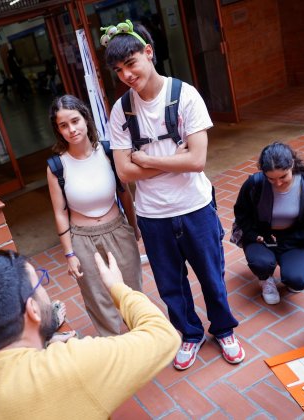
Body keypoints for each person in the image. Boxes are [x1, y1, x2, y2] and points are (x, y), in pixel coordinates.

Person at [103, 19, 244, 370]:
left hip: (195, 206)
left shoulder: (185, 95)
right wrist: (174, 158)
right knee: (170, 284)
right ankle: (190, 334)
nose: (127, 75)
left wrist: (147, 159)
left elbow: (197, 160)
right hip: (152, 214)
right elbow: (123, 171)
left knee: (211, 274)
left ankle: (224, 329)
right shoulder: (121, 110)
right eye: (119, 70)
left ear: (148, 53)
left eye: (131, 63)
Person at [0, 250, 180, 419]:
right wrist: (118, 288)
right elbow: (163, 335)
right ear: (32, 309)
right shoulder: (69, 365)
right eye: (39, 282)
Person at [46, 94, 143, 336]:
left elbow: (125, 195)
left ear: (86, 119)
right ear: (58, 130)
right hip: (82, 239)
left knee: (132, 292)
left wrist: (134, 227)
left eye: (75, 121)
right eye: (63, 125)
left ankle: (140, 343)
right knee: (98, 299)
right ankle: (114, 350)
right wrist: (69, 253)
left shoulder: (109, 152)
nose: (71, 129)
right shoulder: (57, 166)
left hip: (117, 230)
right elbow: (60, 212)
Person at [233, 142, 304, 305]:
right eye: (271, 179)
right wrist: (253, 235)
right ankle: (265, 278)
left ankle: (288, 269)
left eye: (283, 177)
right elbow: (241, 212)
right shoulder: (255, 183)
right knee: (261, 263)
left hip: (294, 237)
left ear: (292, 165)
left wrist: (288, 240)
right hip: (261, 234)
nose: (277, 183)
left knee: (298, 280)